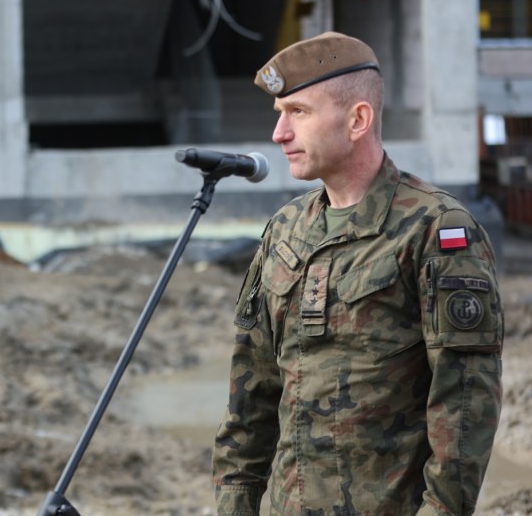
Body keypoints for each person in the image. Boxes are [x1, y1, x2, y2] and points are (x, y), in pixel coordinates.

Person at [212, 32, 503, 516]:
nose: (279, 133)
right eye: (279, 114)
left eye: (298, 112)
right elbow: (252, 396)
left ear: (358, 120)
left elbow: (466, 405)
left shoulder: (436, 230)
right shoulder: (284, 231)